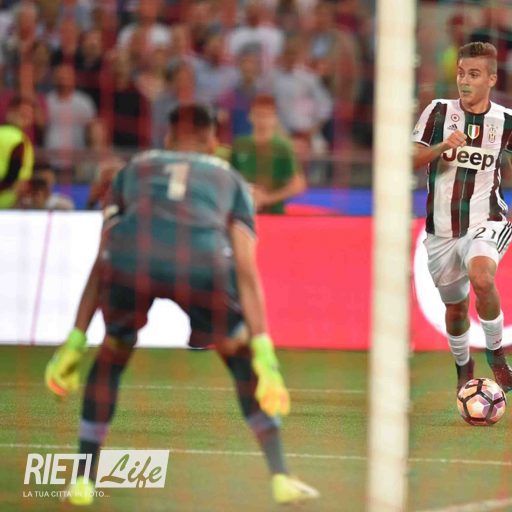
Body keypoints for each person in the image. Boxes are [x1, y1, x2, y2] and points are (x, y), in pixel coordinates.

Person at [43, 104, 319, 506]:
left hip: (133, 260)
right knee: (238, 354)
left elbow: (102, 259)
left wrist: (75, 338)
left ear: (169, 138)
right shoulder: (230, 179)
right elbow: (245, 269)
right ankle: (281, 476)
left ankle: (82, 481)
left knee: (114, 353)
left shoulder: (132, 169)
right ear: (213, 142)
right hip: (200, 263)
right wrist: (263, 349)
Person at [412, 42, 512, 393]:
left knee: (482, 278)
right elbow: (409, 159)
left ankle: (496, 353)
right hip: (441, 230)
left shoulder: (506, 121)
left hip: (487, 220)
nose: (464, 81)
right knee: (456, 309)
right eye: (460, 74)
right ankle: (463, 366)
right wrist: (443, 146)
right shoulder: (438, 112)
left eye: (473, 74)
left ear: (491, 79)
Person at [230, 95, 306, 214]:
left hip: (274, 214)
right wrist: (249, 192)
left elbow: (297, 185)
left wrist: (267, 199)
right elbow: (230, 179)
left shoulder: (282, 147)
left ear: (275, 118)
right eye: (258, 114)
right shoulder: (240, 145)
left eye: (267, 115)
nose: (262, 120)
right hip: (244, 212)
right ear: (250, 116)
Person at [0, 95, 35, 208]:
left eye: (29, 114)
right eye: (22, 113)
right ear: (10, 112)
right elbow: (13, 174)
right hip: (8, 202)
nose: (26, 117)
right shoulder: (18, 140)